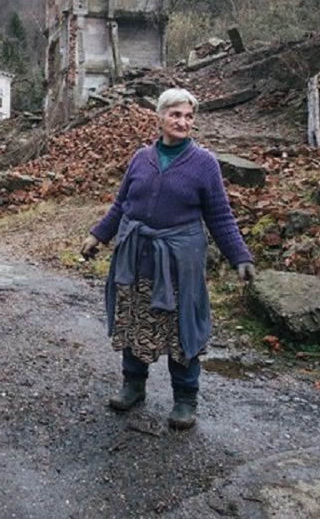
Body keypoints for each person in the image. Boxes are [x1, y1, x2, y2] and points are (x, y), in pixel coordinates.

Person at [80, 88, 256, 430]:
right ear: (159, 117)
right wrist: (97, 235)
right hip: (137, 258)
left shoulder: (204, 163)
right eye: (175, 114)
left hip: (179, 262)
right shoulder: (140, 158)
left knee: (181, 330)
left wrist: (240, 256)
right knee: (134, 322)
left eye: (189, 116)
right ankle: (133, 385)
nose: (183, 122)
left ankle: (185, 399)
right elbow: (121, 206)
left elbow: (220, 216)